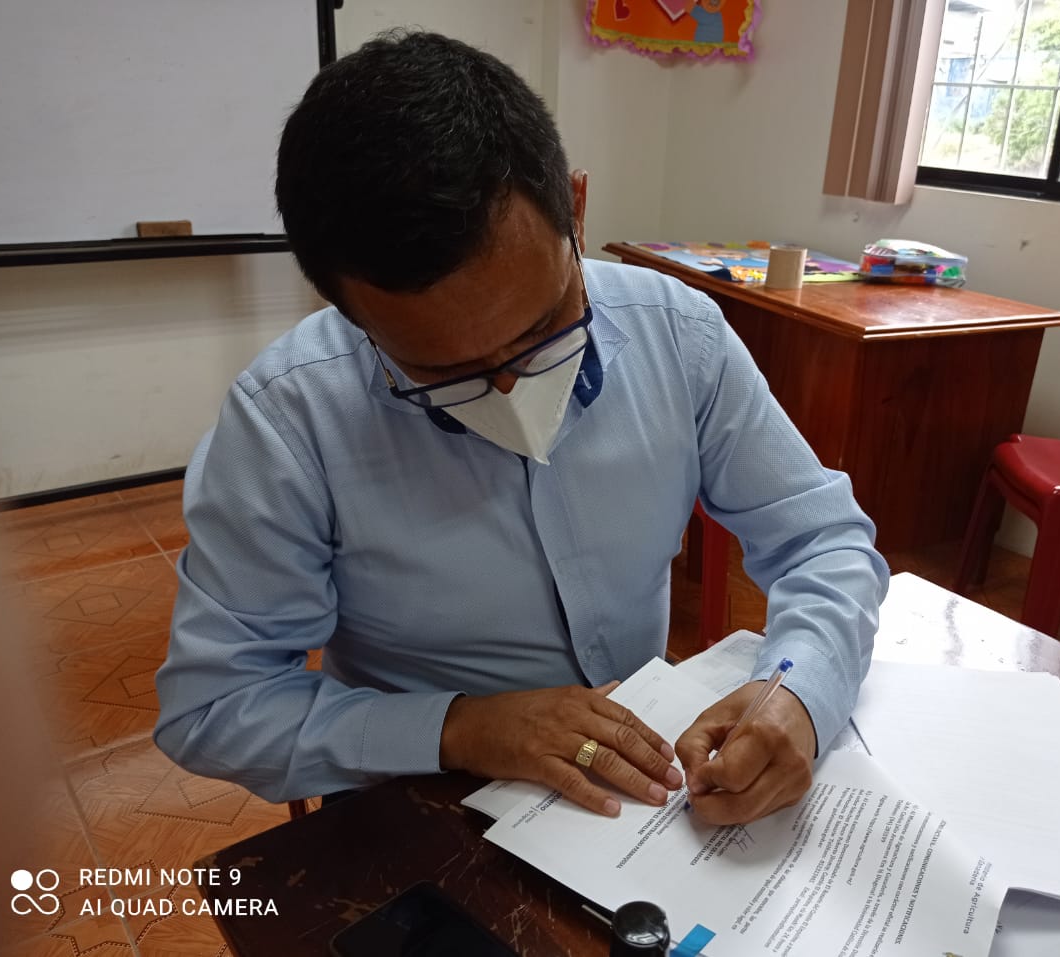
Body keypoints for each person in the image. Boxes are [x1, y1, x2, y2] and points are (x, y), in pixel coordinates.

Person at [153, 30, 888, 826]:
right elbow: (214, 707)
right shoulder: (290, 421)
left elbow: (823, 540)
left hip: (646, 794)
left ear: (576, 207)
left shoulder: (678, 335)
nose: (509, 385)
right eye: (442, 371)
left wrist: (800, 688)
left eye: (545, 328)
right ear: (346, 310)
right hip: (427, 799)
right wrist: (461, 727)